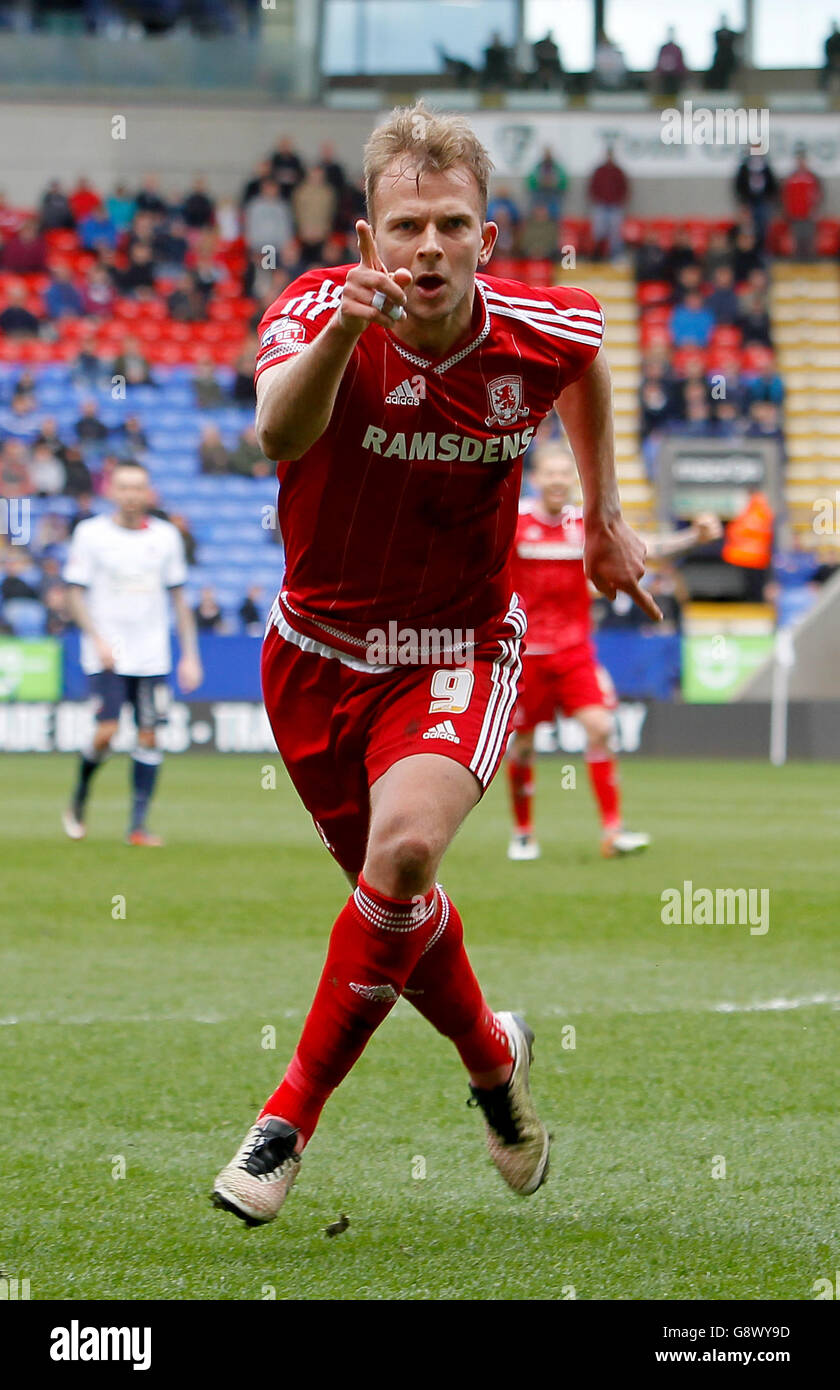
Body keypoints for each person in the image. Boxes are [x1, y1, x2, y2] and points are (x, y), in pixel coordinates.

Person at [211, 100, 659, 1229]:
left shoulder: (534, 332)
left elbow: (587, 359)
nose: (427, 248)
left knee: (404, 851)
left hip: (455, 648)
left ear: (486, 237)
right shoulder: (314, 312)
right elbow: (275, 433)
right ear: (367, 240)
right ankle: (492, 1059)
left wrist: (603, 517)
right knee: (393, 906)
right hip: (313, 658)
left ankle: (285, 1122)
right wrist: (342, 340)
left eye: (451, 225)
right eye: (404, 226)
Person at [506, 441, 721, 860]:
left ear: (573, 480)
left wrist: (693, 536)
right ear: (535, 480)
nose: (556, 480)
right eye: (549, 473)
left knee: (601, 728)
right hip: (526, 654)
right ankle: (523, 833)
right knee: (524, 744)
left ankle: (613, 831)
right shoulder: (514, 524)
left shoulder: (586, 524)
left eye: (563, 473)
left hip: (574, 652)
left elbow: (643, 548)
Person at [61, 462, 202, 846]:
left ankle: (137, 826)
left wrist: (190, 655)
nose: (130, 494)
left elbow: (179, 599)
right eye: (123, 487)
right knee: (107, 732)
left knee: (149, 736)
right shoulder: (90, 535)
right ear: (111, 490)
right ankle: (79, 797)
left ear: (148, 492)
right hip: (106, 653)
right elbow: (73, 592)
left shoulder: (166, 537)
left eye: (138, 487)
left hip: (152, 656)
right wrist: (96, 639)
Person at [588, 146, 629, 261]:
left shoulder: (618, 171)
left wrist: (619, 200)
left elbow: (624, 187)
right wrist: (597, 199)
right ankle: (598, 256)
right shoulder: (599, 171)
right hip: (601, 205)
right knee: (598, 232)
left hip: (615, 206)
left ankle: (615, 256)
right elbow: (592, 186)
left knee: (615, 233)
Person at [782, 147, 823, 262]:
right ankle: (796, 262)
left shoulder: (813, 177)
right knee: (796, 240)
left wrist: (816, 210)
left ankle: (811, 263)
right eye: (799, 160)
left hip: (809, 215)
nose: (801, 163)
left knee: (809, 239)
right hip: (795, 215)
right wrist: (787, 211)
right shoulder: (790, 177)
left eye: (803, 160)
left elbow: (819, 195)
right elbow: (785, 195)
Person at [734, 146, 777, 252]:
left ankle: (761, 251)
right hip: (749, 201)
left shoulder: (765, 167)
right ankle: (750, 251)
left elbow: (772, 185)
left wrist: (769, 197)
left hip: (762, 201)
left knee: (762, 228)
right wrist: (743, 201)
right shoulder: (745, 167)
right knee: (748, 228)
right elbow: (739, 185)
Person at [653, 27, 687, 99]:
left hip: (676, 77)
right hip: (663, 77)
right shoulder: (663, 48)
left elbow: (681, 65)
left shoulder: (677, 49)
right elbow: (658, 64)